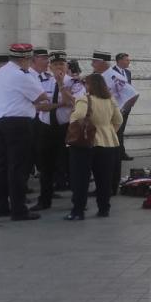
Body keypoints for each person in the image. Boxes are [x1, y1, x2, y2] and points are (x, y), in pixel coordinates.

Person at [0, 44, 48, 220]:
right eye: (30, 60)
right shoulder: (20, 76)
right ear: (24, 59)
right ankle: (19, 209)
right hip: (17, 124)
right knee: (18, 168)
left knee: (2, 166)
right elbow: (42, 96)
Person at [65, 74, 122, 220]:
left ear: (89, 85)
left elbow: (78, 116)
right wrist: (108, 131)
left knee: (80, 179)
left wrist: (72, 118)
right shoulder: (110, 100)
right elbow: (118, 120)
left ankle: (78, 211)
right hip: (108, 143)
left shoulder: (84, 99)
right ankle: (104, 208)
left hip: (85, 143)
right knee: (104, 179)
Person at [31, 52, 77, 210]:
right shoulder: (41, 82)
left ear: (67, 66)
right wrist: (60, 104)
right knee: (46, 166)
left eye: (62, 64)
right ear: (50, 66)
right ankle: (45, 200)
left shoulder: (74, 83)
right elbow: (38, 106)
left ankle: (78, 201)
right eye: (55, 64)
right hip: (46, 128)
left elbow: (75, 103)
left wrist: (61, 85)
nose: (59, 67)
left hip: (66, 128)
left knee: (72, 165)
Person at [91, 51, 138, 171]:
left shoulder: (114, 76)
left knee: (111, 150)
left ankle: (111, 179)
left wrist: (122, 111)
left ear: (103, 63)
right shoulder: (98, 76)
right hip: (101, 119)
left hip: (111, 118)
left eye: (95, 61)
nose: (92, 64)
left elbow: (133, 95)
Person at [110, 53, 134, 160]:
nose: (129, 62)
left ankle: (121, 152)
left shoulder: (128, 72)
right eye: (127, 60)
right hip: (116, 106)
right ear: (119, 60)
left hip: (126, 106)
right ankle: (116, 153)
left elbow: (129, 90)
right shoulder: (112, 72)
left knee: (121, 130)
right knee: (116, 130)